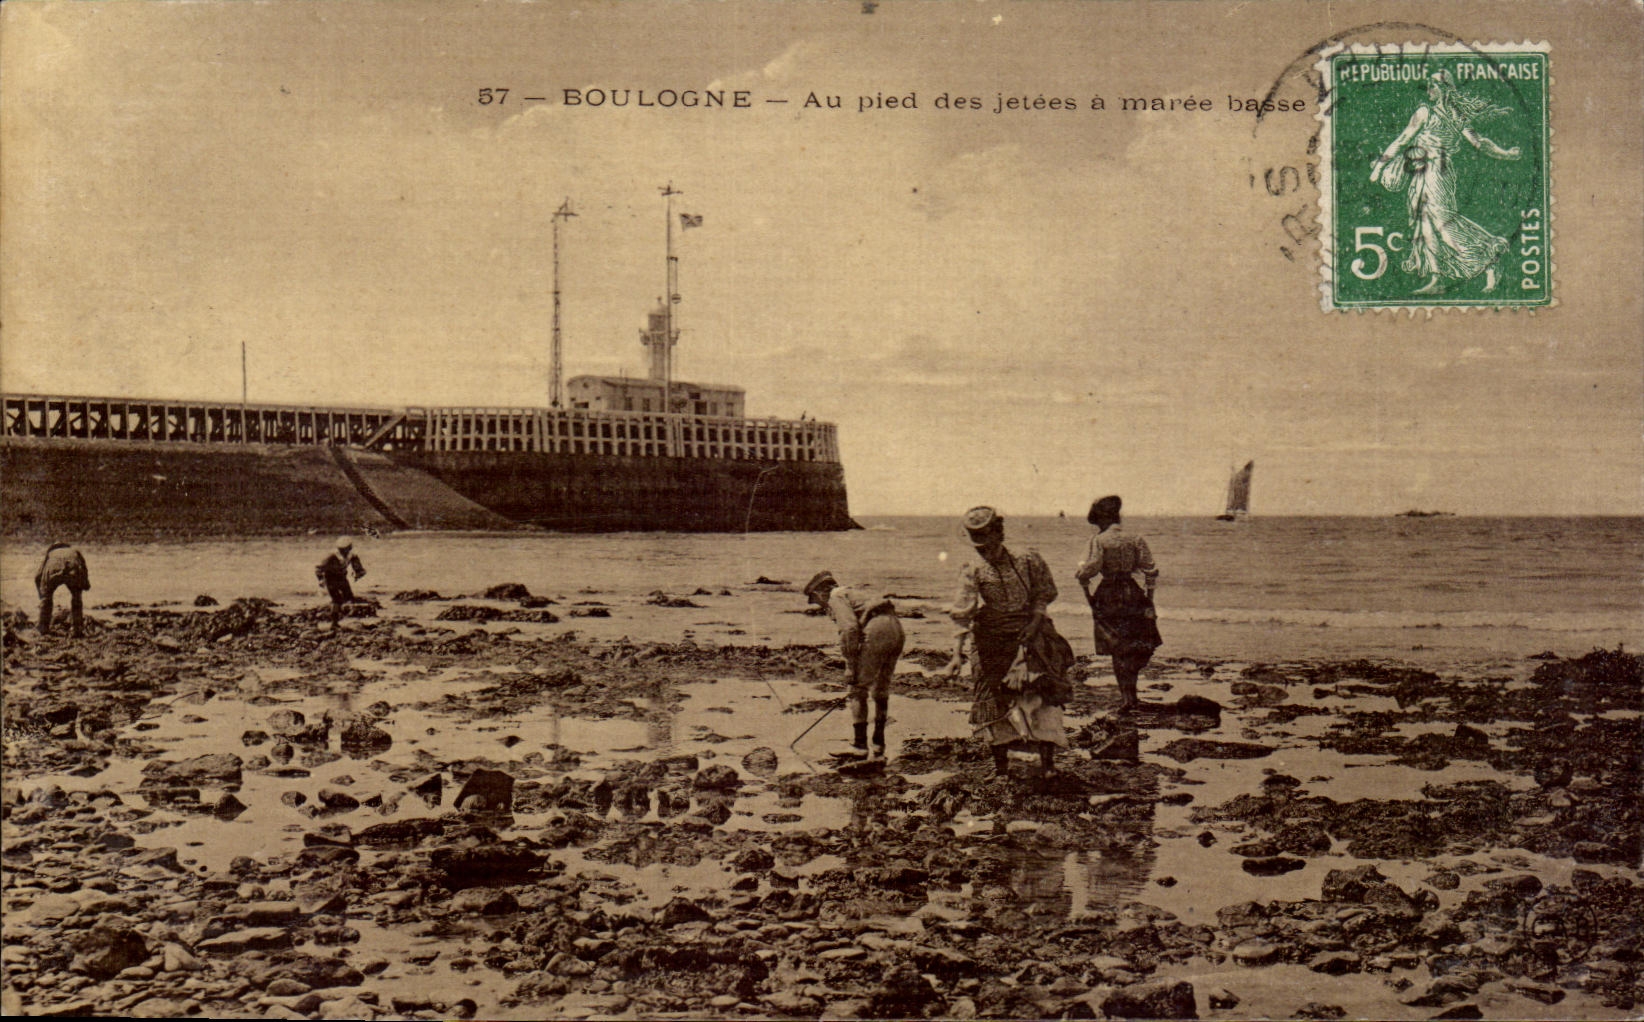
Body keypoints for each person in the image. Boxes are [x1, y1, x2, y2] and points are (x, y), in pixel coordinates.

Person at [1370, 69, 1521, 295]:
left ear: (1443, 89)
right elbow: (1404, 141)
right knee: (1424, 221)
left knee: (1442, 221)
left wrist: (1506, 154)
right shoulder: (1440, 113)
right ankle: (1437, 276)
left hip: (1437, 170)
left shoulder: (1438, 113)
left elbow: (1479, 142)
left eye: (1432, 85)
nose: (1428, 91)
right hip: (1423, 170)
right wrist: (1506, 154)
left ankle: (1491, 252)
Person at [947, 507, 1071, 777]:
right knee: (992, 699)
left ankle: (1048, 764)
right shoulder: (973, 569)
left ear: (999, 535)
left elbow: (1044, 593)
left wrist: (1035, 623)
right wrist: (956, 655)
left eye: (988, 544)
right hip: (990, 639)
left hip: (1032, 632)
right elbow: (962, 611)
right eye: (978, 546)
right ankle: (1001, 768)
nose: (984, 551)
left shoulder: (1027, 559)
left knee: (1043, 695)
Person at [803, 570, 905, 759]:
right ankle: (878, 745)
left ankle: (859, 748)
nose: (821, 606)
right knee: (881, 689)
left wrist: (850, 665)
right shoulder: (853, 592)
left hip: (876, 631)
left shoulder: (835, 597)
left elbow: (849, 629)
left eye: (816, 600)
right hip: (895, 627)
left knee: (857, 689)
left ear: (820, 592)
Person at [1076, 495, 1161, 713]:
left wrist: (1081, 574)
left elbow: (1090, 569)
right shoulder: (1136, 538)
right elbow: (1150, 569)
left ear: (1102, 520)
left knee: (1117, 646)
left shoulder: (1099, 540)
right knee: (1137, 644)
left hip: (1109, 595)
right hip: (1133, 593)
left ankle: (1127, 698)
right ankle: (1132, 696)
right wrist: (1149, 600)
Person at [35, 543, 90, 638]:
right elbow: (83, 569)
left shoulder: (51, 553)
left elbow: (37, 576)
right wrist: (84, 585)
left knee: (47, 598)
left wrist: (42, 594)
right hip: (72, 569)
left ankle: (43, 628)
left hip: (53, 569)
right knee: (76, 597)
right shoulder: (74, 551)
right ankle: (77, 629)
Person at [315, 536, 366, 629]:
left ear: (349, 548)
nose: (344, 551)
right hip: (330, 578)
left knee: (349, 596)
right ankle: (334, 622)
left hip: (342, 577)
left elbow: (358, 567)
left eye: (346, 549)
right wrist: (320, 580)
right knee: (336, 599)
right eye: (342, 549)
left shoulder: (352, 555)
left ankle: (342, 616)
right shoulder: (331, 556)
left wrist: (359, 573)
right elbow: (319, 568)